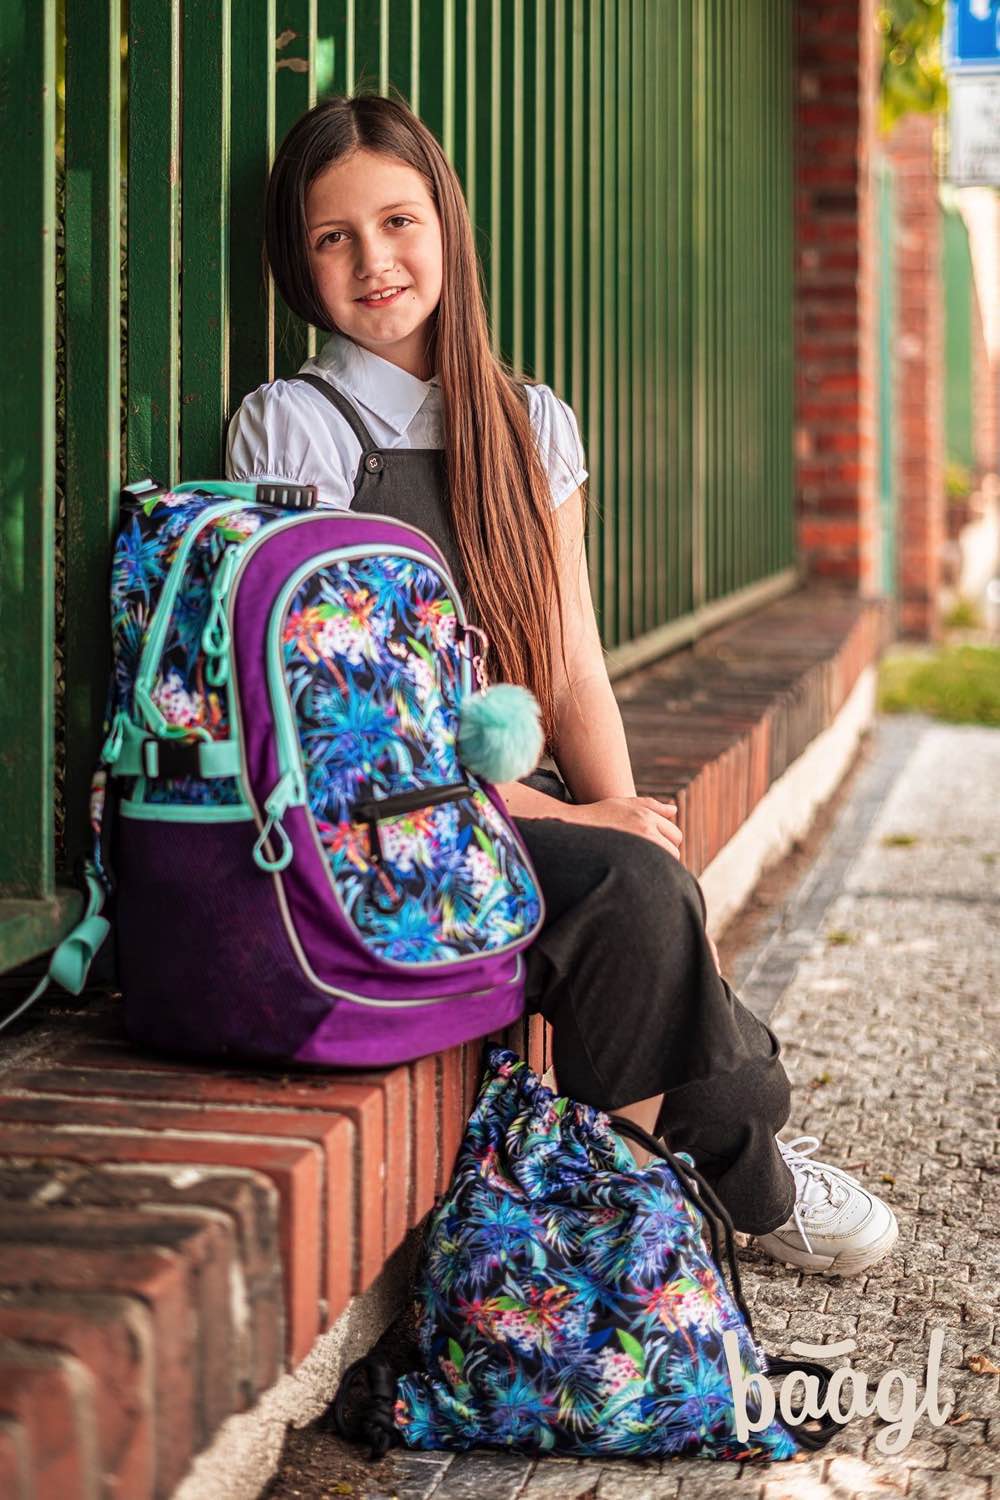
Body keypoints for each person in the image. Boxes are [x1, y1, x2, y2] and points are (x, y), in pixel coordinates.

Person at [226, 91, 898, 1278]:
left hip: (509, 805)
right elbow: (346, 720)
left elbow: (575, 654)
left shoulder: (528, 422)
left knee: (642, 877)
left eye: (398, 221)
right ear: (298, 260)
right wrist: (565, 822)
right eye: (335, 237)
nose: (375, 260)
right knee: (626, 893)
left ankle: (655, 1190)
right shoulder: (295, 429)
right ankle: (740, 1175)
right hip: (384, 822)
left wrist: (619, 810)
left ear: (447, 225)